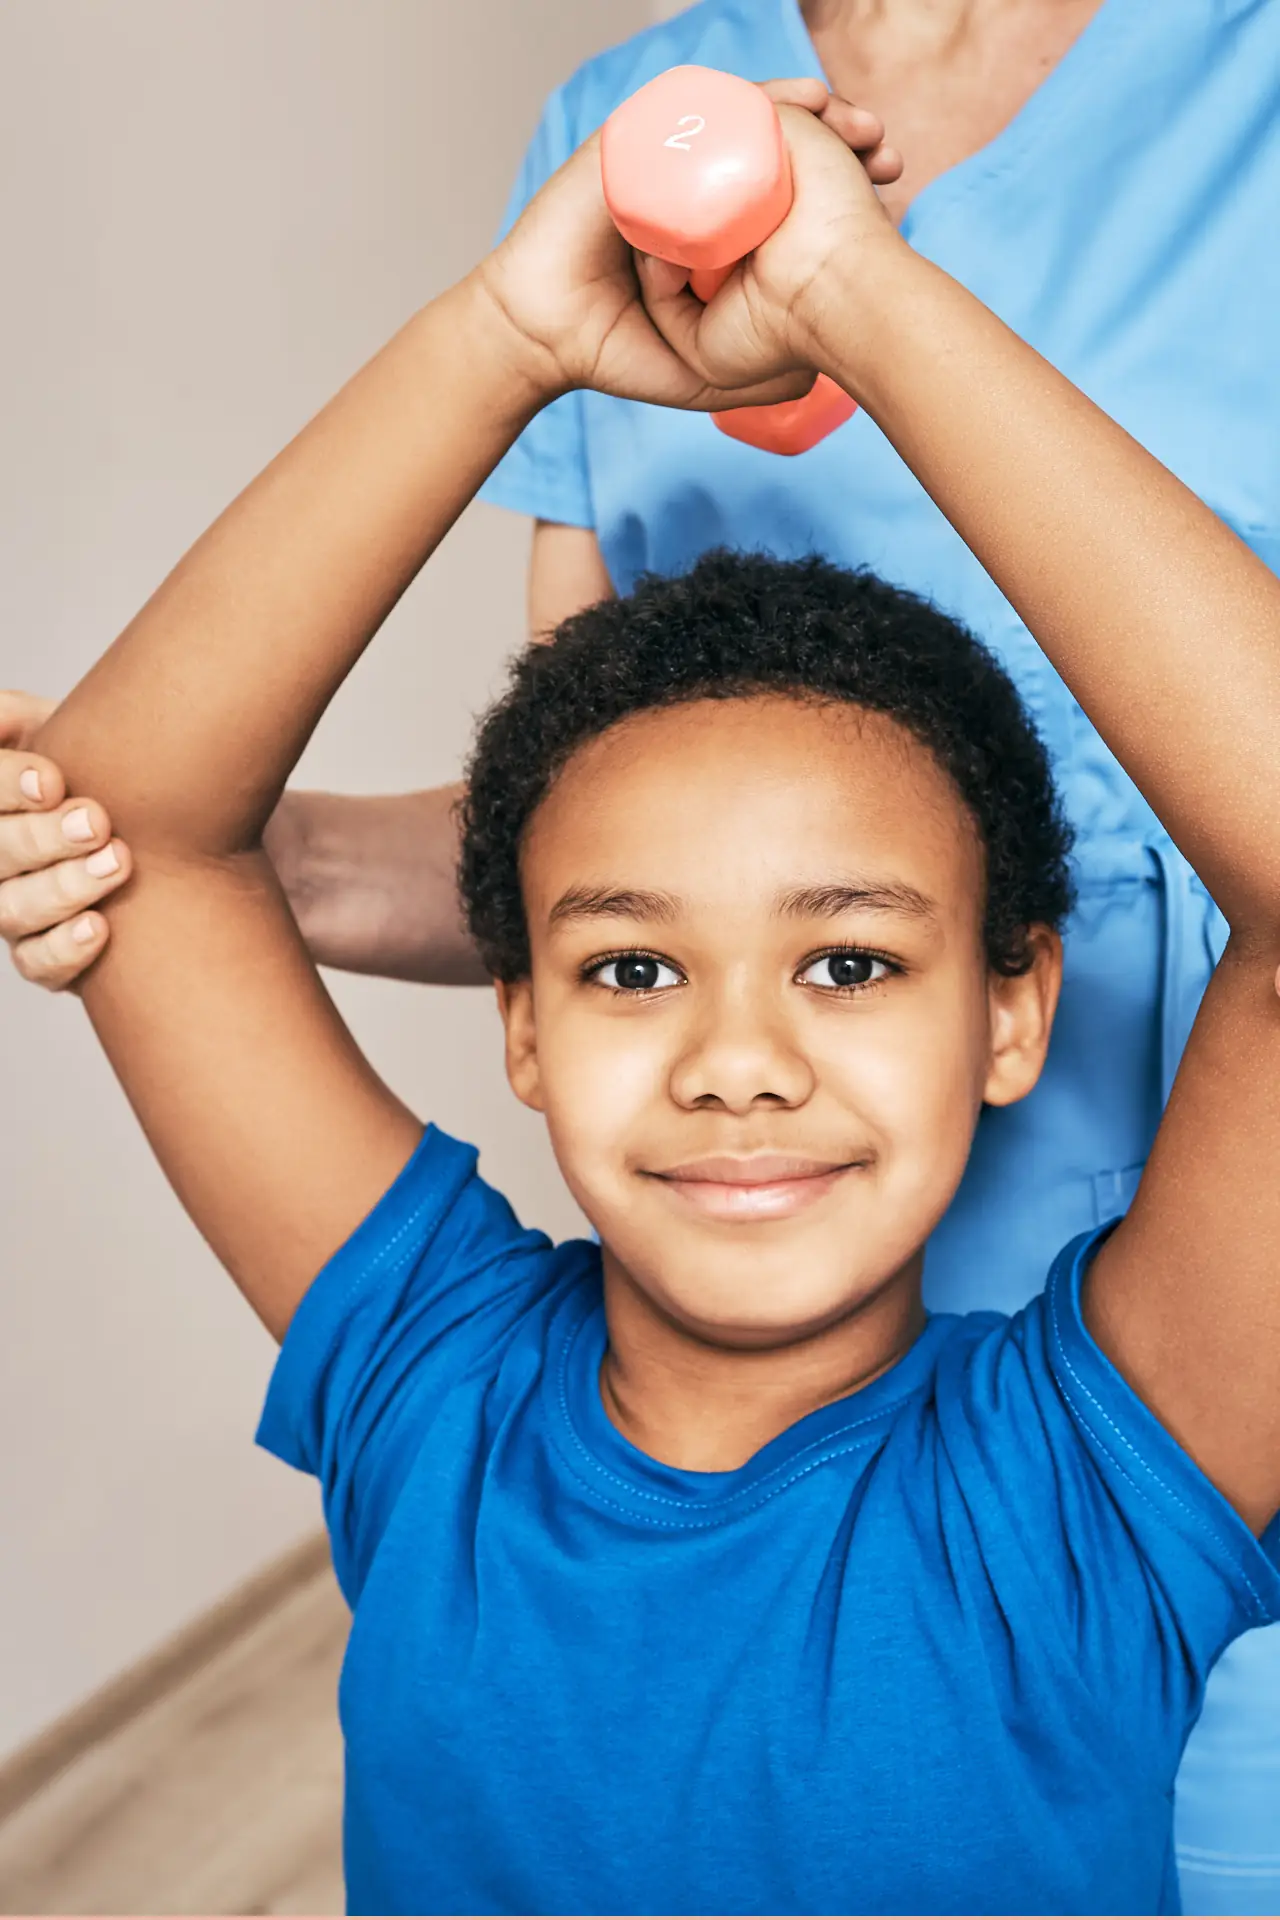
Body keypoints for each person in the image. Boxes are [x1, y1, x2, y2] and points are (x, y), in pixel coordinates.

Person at [5, 2, 1280, 1902]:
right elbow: (142, 825)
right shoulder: (434, 1396)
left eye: (848, 961)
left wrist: (868, 302)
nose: (735, 1058)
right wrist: (505, 339)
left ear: (1018, 1004)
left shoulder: (1089, 1499)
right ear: (518, 1012)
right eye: (628, 970)